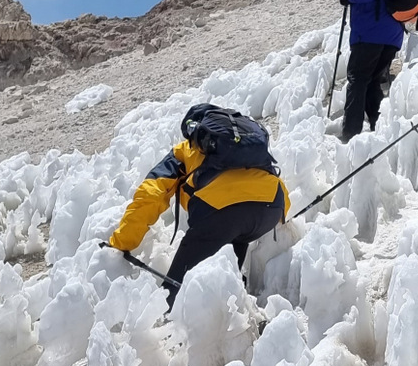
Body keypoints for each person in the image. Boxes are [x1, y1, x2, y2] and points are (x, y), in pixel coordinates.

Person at [106, 103, 290, 306]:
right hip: (270, 208)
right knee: (226, 270)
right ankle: (239, 316)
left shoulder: (185, 151)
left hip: (220, 215)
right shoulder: (245, 146)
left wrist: (121, 243)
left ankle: (174, 323)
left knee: (175, 294)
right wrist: (282, 214)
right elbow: (272, 178)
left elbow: (150, 194)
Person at [338, 0, 404, 142]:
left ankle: (350, 135)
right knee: (372, 81)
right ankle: (379, 128)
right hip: (390, 34)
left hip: (371, 32)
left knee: (357, 80)